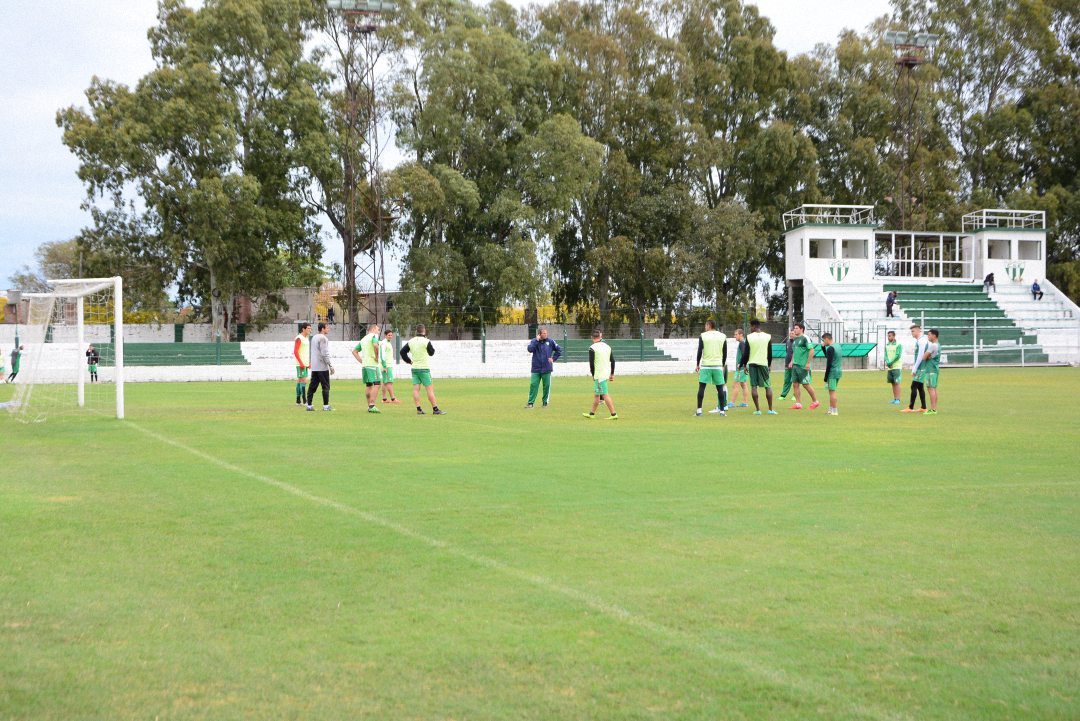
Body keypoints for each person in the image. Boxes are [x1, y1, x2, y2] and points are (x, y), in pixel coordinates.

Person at [400, 324, 445, 415]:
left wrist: (409, 361)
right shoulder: (426, 341)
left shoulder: (411, 341)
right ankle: (435, 409)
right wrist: (427, 340)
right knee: (430, 389)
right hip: (424, 369)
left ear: (416, 332)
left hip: (415, 368)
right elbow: (431, 353)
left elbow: (402, 351)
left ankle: (419, 409)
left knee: (416, 389)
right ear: (424, 331)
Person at [694, 319, 727, 417]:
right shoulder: (722, 336)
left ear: (708, 325)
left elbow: (700, 351)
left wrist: (697, 364)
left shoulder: (703, 336)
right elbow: (725, 352)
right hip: (717, 365)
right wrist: (723, 364)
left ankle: (699, 410)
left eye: (705, 325)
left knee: (702, 387)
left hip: (706, 365)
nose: (705, 327)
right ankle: (722, 411)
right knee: (720, 388)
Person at [583, 329, 617, 419]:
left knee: (605, 394)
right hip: (605, 372)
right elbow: (613, 360)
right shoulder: (607, 346)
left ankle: (613, 414)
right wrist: (612, 374)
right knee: (597, 394)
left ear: (591, 337)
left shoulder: (592, 348)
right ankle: (592, 414)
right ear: (600, 336)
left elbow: (591, 363)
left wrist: (593, 374)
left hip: (599, 374)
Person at [526, 327, 562, 408]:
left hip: (547, 368)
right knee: (533, 385)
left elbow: (559, 350)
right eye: (544, 333)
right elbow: (530, 349)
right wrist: (536, 340)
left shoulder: (550, 341)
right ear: (539, 334)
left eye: (546, 333)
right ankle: (530, 403)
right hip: (536, 368)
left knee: (546, 386)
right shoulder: (534, 341)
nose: (546, 335)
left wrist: (553, 358)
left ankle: (545, 402)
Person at [746, 319, 777, 415]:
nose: (750, 329)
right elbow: (770, 352)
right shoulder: (767, 336)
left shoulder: (749, 337)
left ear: (754, 326)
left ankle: (758, 410)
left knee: (754, 386)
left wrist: (744, 364)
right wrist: (769, 364)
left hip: (752, 364)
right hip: (763, 363)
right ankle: (770, 409)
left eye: (750, 327)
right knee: (767, 386)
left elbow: (746, 352)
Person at [788, 322, 820, 411]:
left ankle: (815, 401)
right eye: (794, 328)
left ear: (801, 329)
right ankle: (798, 403)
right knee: (795, 384)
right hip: (796, 365)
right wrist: (791, 361)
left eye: (796, 328)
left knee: (805, 384)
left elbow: (812, 350)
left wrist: (808, 363)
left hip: (803, 365)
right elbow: (795, 351)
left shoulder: (806, 338)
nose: (795, 330)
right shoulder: (795, 340)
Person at [352, 323, 382, 413]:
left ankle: (369, 406)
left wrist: (362, 361)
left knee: (369, 385)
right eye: (378, 329)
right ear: (373, 329)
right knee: (377, 384)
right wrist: (377, 356)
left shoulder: (363, 339)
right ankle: (372, 405)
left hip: (365, 365)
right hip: (372, 364)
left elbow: (354, 351)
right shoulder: (374, 336)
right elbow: (376, 345)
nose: (378, 331)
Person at [902, 324, 930, 413]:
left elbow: (921, 355)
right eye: (911, 331)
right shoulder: (920, 340)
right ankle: (923, 407)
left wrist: (915, 368)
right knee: (920, 387)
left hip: (921, 368)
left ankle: (911, 407)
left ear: (918, 331)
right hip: (921, 367)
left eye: (913, 331)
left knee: (914, 386)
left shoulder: (921, 341)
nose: (912, 333)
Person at [306, 322, 333, 411]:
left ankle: (309, 405)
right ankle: (326, 406)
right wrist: (329, 364)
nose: (328, 329)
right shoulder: (323, 338)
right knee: (325, 386)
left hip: (315, 366)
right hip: (322, 366)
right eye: (327, 327)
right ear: (322, 329)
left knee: (312, 386)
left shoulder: (314, 337)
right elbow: (324, 352)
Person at [919, 329, 941, 415]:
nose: (928, 336)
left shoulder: (933, 345)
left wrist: (927, 355)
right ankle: (934, 408)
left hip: (930, 369)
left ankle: (933, 409)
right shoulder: (938, 345)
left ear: (934, 335)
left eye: (929, 335)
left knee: (930, 389)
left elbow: (924, 357)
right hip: (935, 369)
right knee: (934, 388)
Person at [727, 328, 749, 409]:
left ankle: (732, 403)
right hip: (745, 367)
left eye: (736, 334)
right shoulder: (745, 343)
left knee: (735, 384)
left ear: (741, 334)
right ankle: (745, 402)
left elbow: (744, 353)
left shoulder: (742, 343)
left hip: (741, 368)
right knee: (743, 384)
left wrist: (741, 363)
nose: (734, 336)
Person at [821, 332, 842, 416]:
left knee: (832, 392)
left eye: (823, 340)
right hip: (838, 370)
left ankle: (835, 410)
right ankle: (831, 409)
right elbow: (829, 356)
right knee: (830, 391)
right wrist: (823, 348)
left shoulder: (830, 348)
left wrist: (826, 376)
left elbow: (829, 363)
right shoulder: (838, 346)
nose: (823, 342)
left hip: (832, 372)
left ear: (826, 339)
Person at [380, 330, 401, 403]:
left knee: (385, 382)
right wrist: (384, 366)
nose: (390, 336)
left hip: (388, 365)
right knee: (390, 382)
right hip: (387, 365)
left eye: (391, 335)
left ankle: (384, 399)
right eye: (389, 335)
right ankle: (393, 399)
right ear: (385, 335)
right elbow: (383, 355)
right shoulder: (384, 343)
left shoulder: (388, 343)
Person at [293, 322, 311, 406]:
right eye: (308, 328)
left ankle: (298, 401)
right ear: (303, 329)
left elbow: (305, 352)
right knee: (304, 380)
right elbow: (296, 352)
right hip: (301, 364)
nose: (310, 330)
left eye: (310, 328)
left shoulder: (306, 338)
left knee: (300, 381)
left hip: (305, 363)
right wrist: (301, 363)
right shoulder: (299, 338)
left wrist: (308, 362)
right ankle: (304, 401)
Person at [884, 330, 903, 404]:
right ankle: (895, 398)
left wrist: (891, 362)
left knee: (897, 382)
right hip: (890, 367)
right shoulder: (888, 345)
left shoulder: (898, 345)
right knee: (892, 382)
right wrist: (888, 363)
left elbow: (898, 355)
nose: (888, 337)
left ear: (894, 336)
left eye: (890, 336)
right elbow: (886, 355)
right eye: (888, 336)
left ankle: (898, 399)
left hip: (896, 366)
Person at [778, 329, 795, 402]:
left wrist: (793, 362)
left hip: (795, 365)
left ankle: (795, 395)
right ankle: (783, 395)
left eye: (792, 333)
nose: (791, 334)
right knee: (786, 380)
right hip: (787, 364)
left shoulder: (797, 343)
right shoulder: (788, 342)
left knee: (795, 381)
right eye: (790, 333)